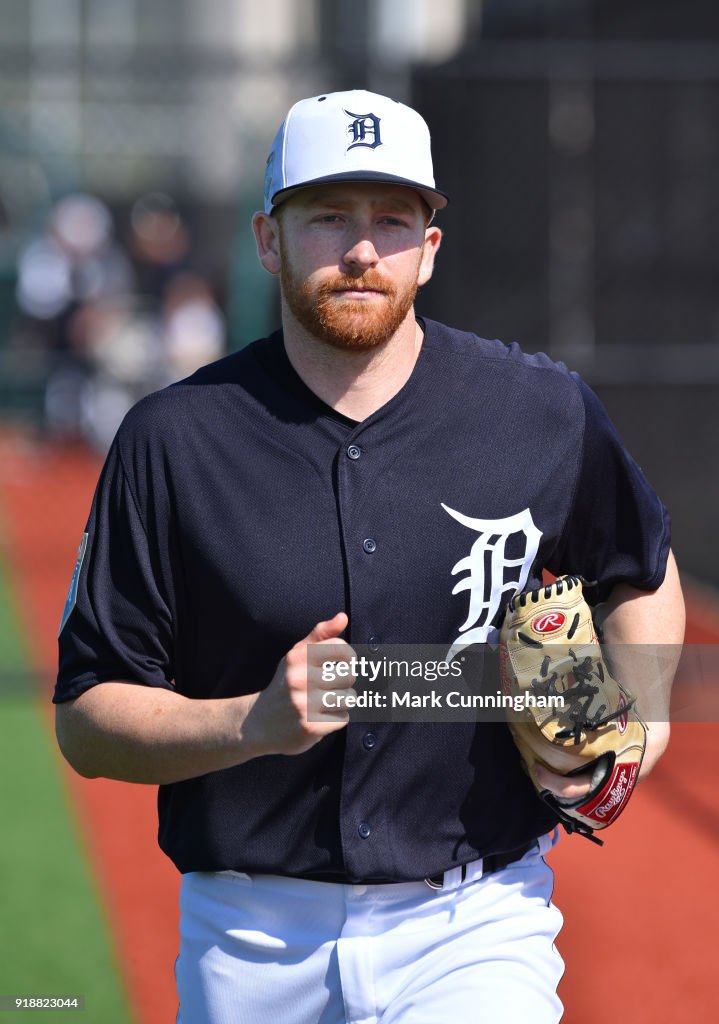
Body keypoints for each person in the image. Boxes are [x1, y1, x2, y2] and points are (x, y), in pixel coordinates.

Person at [54, 90, 684, 1024]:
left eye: (392, 220)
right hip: (250, 939)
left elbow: (643, 573)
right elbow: (86, 718)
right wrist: (252, 723)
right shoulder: (172, 441)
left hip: (475, 925)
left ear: (428, 250)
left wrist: (634, 733)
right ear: (270, 239)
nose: (360, 250)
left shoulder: (540, 412)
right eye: (328, 218)